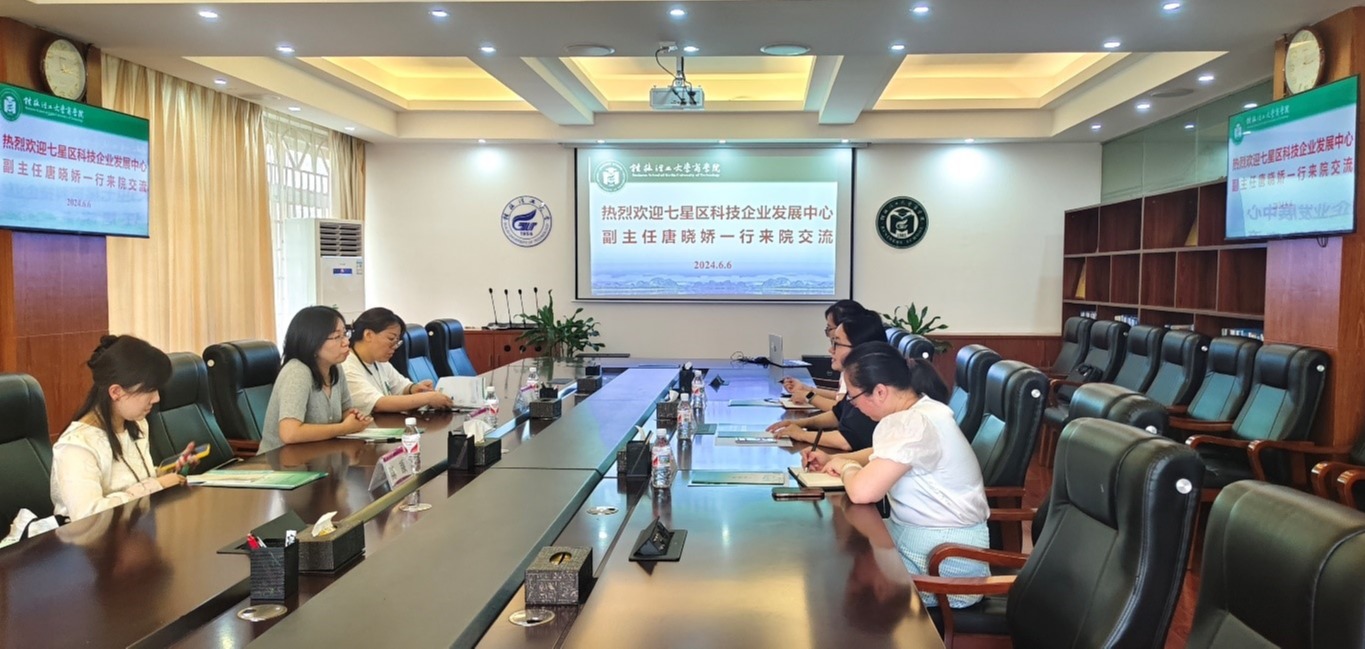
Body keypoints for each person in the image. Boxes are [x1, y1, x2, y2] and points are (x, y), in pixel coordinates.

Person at [806, 342, 987, 608]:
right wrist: (835, 459)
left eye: (853, 398)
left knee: (833, 571)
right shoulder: (923, 410)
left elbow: (862, 492)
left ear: (880, 391)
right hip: (932, 549)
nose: (853, 407)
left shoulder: (912, 423)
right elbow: (886, 455)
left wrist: (846, 468)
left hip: (943, 568)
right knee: (839, 558)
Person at [50, 335, 200, 521]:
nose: (156, 398)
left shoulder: (137, 424)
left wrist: (166, 473)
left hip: (135, 531)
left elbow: (129, 479)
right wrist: (157, 485)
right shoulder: (77, 446)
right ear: (116, 392)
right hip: (93, 538)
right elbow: (87, 517)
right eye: (149, 390)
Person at [258, 306, 371, 453]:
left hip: (320, 455)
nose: (346, 342)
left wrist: (353, 417)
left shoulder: (335, 368)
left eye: (345, 334)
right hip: (281, 462)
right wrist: (344, 428)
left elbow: (345, 410)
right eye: (337, 337)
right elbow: (290, 433)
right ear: (312, 341)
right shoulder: (297, 372)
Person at [768, 308, 883, 451]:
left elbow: (848, 440)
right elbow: (837, 414)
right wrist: (800, 423)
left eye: (837, 344)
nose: (830, 350)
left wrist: (802, 435)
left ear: (858, 348)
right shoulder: (858, 379)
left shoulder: (873, 384)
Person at [342, 308, 453, 415]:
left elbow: (401, 387)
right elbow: (378, 404)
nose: (394, 347)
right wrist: (428, 398)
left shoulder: (379, 362)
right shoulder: (346, 366)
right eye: (391, 339)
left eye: (397, 342)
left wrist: (414, 388)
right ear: (368, 335)